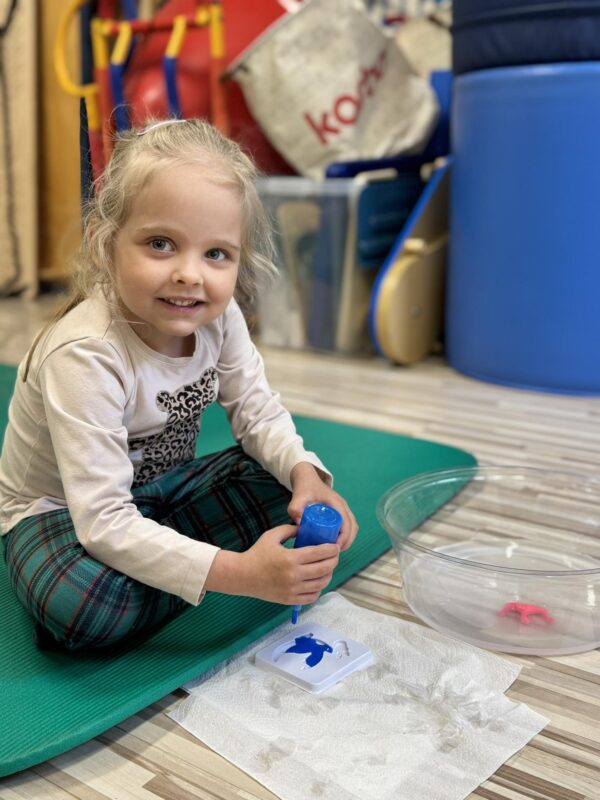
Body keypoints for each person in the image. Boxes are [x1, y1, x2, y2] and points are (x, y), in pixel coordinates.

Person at [0, 118, 358, 651]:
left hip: (155, 495)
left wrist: (308, 479)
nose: (191, 274)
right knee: (82, 609)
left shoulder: (220, 317)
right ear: (105, 244)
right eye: (161, 243)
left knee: (289, 490)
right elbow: (101, 520)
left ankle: (179, 565)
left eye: (216, 254)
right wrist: (243, 575)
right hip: (61, 514)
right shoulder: (86, 352)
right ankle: (201, 568)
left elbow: (258, 412)